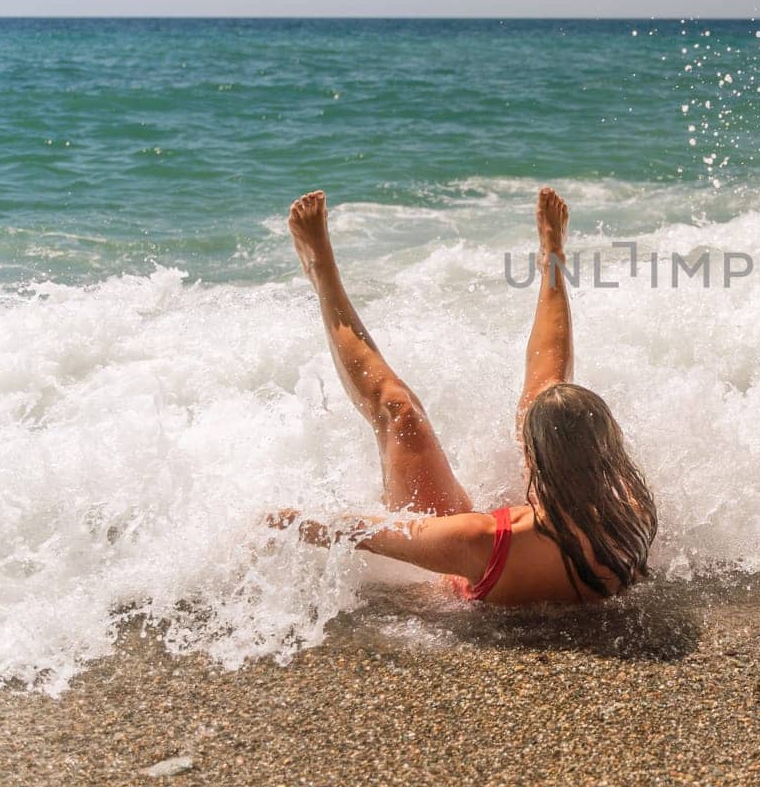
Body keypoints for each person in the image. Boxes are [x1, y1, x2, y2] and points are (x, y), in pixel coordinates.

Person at [268, 186, 656, 605]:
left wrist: (277, 520)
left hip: (481, 559)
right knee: (550, 398)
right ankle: (552, 261)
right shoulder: (631, 512)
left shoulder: (476, 540)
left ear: (534, 460)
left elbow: (362, 532)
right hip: (539, 529)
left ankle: (323, 274)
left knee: (399, 412)